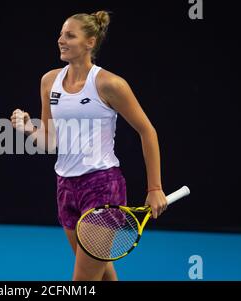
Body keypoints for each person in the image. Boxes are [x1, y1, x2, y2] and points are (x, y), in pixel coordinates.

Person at [11, 11, 168, 281]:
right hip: (65, 189)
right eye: (61, 34)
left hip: (102, 189)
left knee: (83, 282)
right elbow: (50, 141)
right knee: (102, 275)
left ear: (90, 43)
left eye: (70, 35)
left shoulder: (110, 84)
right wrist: (28, 129)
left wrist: (155, 188)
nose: (61, 40)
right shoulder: (49, 82)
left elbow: (147, 131)